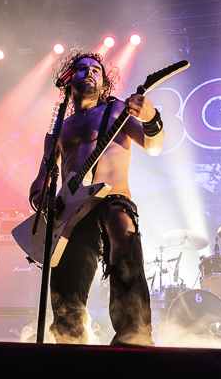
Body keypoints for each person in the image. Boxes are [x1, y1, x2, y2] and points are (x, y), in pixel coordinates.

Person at [29, 49, 165, 346]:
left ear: (104, 83)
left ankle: (134, 333)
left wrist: (151, 117)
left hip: (112, 197)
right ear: (69, 79)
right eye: (81, 68)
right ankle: (70, 347)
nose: (89, 72)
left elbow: (153, 147)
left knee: (121, 226)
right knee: (65, 290)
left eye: (95, 70)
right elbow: (42, 178)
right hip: (72, 214)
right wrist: (40, 199)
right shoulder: (59, 129)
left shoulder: (116, 111)